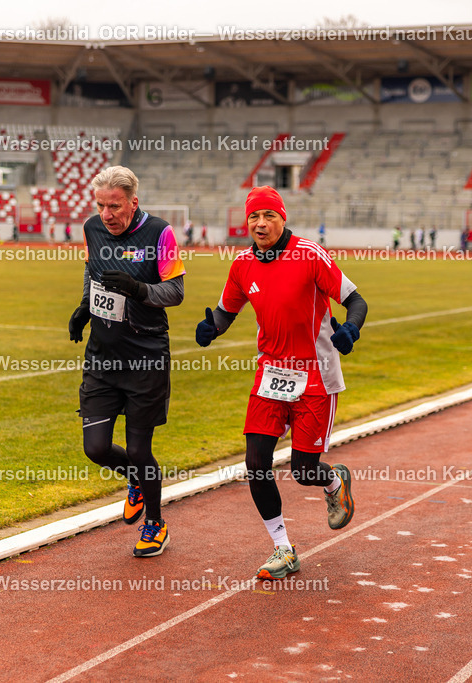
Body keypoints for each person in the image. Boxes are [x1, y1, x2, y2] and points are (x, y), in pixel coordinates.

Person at [195, 186, 368, 580]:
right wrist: (212, 329)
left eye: (268, 216)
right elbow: (226, 310)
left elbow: (356, 301)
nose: (260, 224)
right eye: (254, 217)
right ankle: (283, 548)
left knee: (303, 470)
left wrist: (350, 331)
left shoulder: (310, 255)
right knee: (256, 464)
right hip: (271, 374)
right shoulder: (241, 264)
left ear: (282, 218)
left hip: (315, 374)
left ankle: (332, 479)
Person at [69, 166, 186, 557]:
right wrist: (84, 308)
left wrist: (138, 289)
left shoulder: (160, 234)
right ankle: (135, 479)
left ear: (133, 203)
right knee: (97, 448)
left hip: (145, 359)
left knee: (139, 450)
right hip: (102, 359)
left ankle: (155, 524)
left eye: (114, 206)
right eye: (101, 206)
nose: (107, 215)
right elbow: (91, 271)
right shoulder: (92, 228)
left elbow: (175, 291)